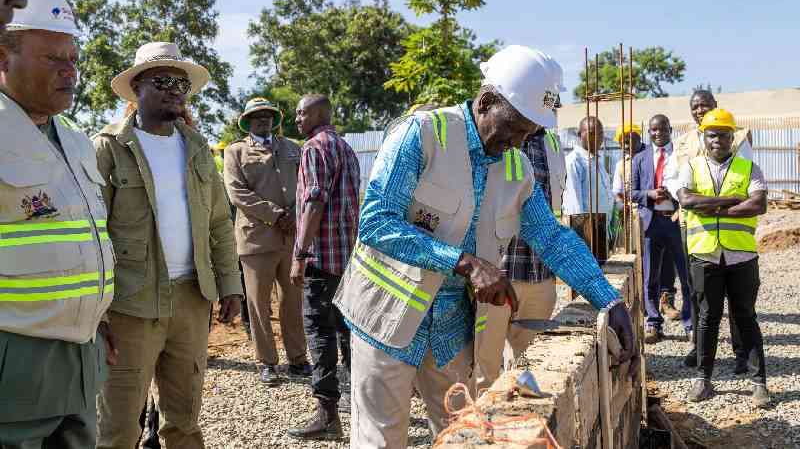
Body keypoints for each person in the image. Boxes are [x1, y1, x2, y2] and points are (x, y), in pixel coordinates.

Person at [334, 45, 639, 448]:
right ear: (486, 101)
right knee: (382, 439)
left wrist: (609, 301)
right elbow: (377, 222)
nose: (518, 142)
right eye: (513, 128)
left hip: (448, 327)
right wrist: (465, 263)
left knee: (464, 434)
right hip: (387, 317)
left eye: (529, 133)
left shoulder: (517, 167)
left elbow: (551, 238)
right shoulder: (423, 134)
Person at [94, 42, 242, 448]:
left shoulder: (196, 147)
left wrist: (230, 284)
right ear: (137, 87)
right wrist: (98, 311)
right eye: (163, 81)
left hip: (191, 300)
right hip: (130, 305)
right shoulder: (109, 147)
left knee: (184, 423)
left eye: (182, 84)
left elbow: (218, 222)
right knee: (119, 429)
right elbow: (94, 232)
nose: (175, 90)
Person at [0, 0, 116, 448]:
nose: (70, 71)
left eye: (74, 58)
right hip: (15, 361)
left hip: (82, 357)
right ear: (3, 57)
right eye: (53, 58)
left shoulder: (76, 140)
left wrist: (99, 317)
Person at [675, 108, 769, 407]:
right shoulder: (691, 167)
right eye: (712, 134)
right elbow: (687, 200)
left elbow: (758, 204)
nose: (718, 140)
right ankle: (703, 380)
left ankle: (759, 383)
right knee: (707, 318)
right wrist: (730, 201)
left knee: (746, 317)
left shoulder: (749, 167)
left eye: (724, 135)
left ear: (732, 137)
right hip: (705, 254)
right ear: (704, 137)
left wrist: (711, 207)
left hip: (741, 256)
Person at [287, 94, 360, 440]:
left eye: (301, 113)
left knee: (319, 333)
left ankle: (328, 416)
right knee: (348, 333)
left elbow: (313, 203)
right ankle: (364, 410)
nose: (297, 119)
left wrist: (300, 254)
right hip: (347, 259)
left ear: (318, 114)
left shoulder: (314, 149)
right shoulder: (346, 148)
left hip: (321, 260)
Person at [474, 123, 567, 392]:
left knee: (529, 369)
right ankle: (483, 418)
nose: (548, 109)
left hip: (540, 275)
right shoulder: (493, 132)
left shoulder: (552, 143)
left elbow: (556, 207)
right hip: (496, 278)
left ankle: (521, 417)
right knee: (485, 371)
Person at [224, 97, 310, 386]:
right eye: (257, 115)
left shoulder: (293, 148)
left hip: (291, 237)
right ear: (247, 121)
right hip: (256, 239)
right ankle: (267, 362)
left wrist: (295, 214)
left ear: (275, 119)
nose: (263, 119)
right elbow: (237, 193)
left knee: (293, 301)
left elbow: (306, 185)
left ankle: (298, 359)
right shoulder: (235, 151)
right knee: (258, 304)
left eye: (268, 114)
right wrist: (275, 214)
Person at [663, 89, 752, 371]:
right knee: (697, 289)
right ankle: (700, 348)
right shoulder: (682, 142)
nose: (700, 110)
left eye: (705, 105)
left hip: (732, 228)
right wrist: (687, 196)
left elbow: (746, 175)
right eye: (695, 106)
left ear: (715, 105)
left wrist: (712, 203)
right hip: (694, 225)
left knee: (736, 294)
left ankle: (741, 352)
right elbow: (671, 179)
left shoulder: (737, 137)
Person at [631, 114, 691, 344]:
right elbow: (631, 192)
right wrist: (649, 194)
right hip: (651, 223)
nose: (658, 133)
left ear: (670, 130)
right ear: (649, 132)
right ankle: (653, 322)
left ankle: (690, 323)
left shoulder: (681, 156)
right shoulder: (640, 158)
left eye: (663, 129)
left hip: (676, 221)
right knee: (650, 276)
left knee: (685, 275)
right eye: (654, 130)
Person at [564, 116, 614, 237]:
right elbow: (574, 205)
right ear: (579, 134)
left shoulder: (597, 160)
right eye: (592, 133)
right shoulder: (574, 161)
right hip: (588, 233)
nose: (598, 138)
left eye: (601, 133)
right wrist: (582, 238)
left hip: (602, 229)